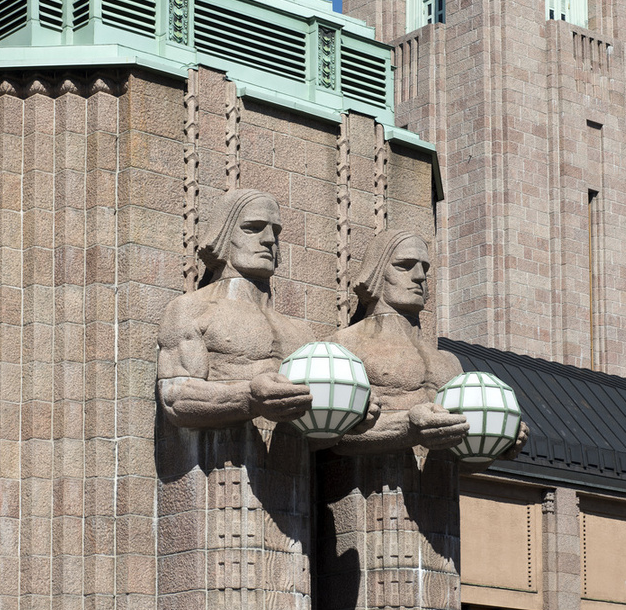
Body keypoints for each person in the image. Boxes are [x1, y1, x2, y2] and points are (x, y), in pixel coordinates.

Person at [157, 189, 312, 429]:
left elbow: (318, 425)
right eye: (253, 228)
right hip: (220, 462)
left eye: (276, 231)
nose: (269, 239)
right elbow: (175, 397)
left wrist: (354, 416)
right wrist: (250, 398)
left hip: (292, 463)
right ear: (224, 234)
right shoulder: (192, 309)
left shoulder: (301, 332)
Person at [333, 230, 470, 454]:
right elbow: (327, 436)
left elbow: (466, 453)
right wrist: (407, 427)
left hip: (441, 485)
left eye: (424, 268)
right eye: (405, 265)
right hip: (371, 483)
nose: (419, 276)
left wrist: (501, 440)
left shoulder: (449, 361)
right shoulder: (344, 346)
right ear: (376, 272)